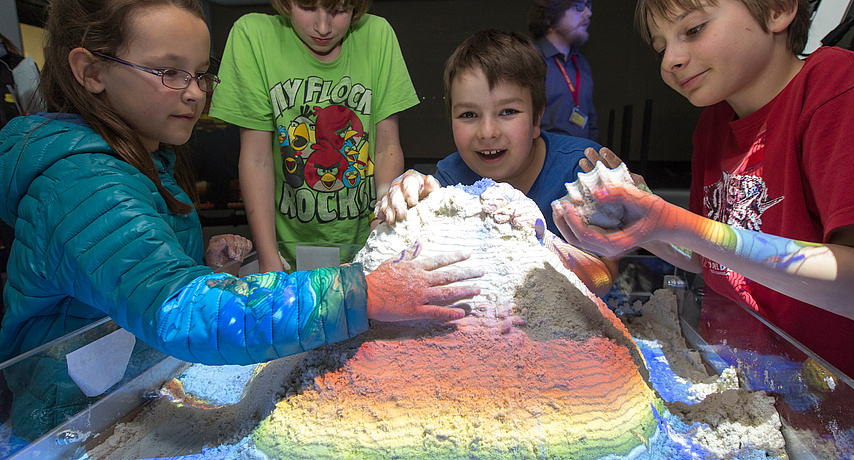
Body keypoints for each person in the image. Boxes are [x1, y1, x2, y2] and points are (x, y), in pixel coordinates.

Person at [0, 0, 480, 439]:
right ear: (90, 71)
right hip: (64, 420)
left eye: (200, 75)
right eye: (169, 72)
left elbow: (123, 277)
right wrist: (362, 293)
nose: (193, 94)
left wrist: (196, 260)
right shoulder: (83, 184)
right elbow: (182, 312)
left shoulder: (141, 157)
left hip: (122, 395)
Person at [553, 0, 854, 407]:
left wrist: (675, 222)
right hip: (743, 391)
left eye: (692, 30)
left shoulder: (840, 89)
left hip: (841, 409)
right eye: (661, 47)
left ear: (778, 10)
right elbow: (708, 257)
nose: (671, 60)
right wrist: (647, 224)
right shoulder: (714, 125)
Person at [377, 29, 614, 297]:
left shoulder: (581, 171)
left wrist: (542, 242)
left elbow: (604, 278)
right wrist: (401, 211)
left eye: (507, 112)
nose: (487, 131)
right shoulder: (451, 179)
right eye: (469, 114)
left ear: (537, 118)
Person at [209, 0, 419, 273]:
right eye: (307, 7)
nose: (323, 27)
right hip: (284, 249)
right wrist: (269, 260)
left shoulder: (377, 34)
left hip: (363, 246)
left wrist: (382, 224)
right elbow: (256, 159)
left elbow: (386, 146)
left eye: (339, 10)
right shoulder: (253, 36)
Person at [527, 0, 598, 142]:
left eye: (588, 6)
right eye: (578, 6)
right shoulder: (529, 60)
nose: (588, 13)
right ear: (549, 18)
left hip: (581, 157)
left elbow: (591, 121)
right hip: (544, 160)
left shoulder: (582, 64)